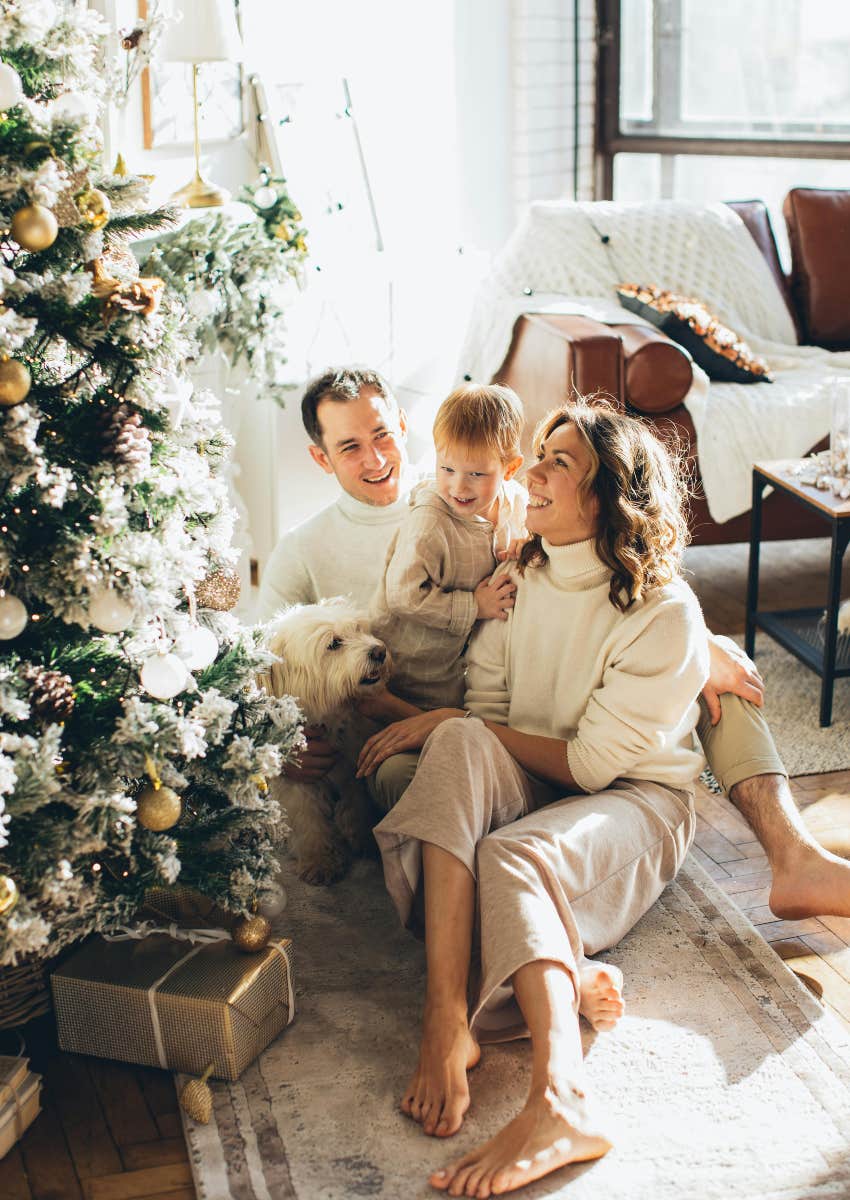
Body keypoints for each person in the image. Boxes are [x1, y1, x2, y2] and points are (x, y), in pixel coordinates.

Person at [258, 365, 850, 920]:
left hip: (501, 697)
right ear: (319, 456)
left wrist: (693, 636)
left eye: (382, 434)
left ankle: (793, 855)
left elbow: (600, 550)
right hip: (425, 716)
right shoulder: (302, 550)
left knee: (721, 664)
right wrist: (278, 746)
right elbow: (260, 673)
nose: (375, 456)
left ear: (407, 430)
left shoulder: (466, 480)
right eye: (349, 447)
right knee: (406, 778)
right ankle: (525, 868)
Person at [358, 401, 708, 1193]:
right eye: (538, 454)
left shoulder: (663, 613)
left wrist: (457, 724)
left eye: (559, 462)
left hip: (637, 798)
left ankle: (563, 1097)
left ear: (608, 496)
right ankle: (449, 1015)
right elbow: (488, 712)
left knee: (508, 852)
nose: (530, 472)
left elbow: (590, 765)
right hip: (544, 776)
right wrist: (452, 725)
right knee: (456, 742)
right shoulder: (522, 576)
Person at [370, 383, 526, 710]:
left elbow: (534, 535)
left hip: (467, 665)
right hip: (414, 667)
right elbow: (402, 594)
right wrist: (474, 606)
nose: (459, 486)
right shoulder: (430, 520)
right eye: (447, 468)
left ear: (509, 469)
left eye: (477, 474)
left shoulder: (517, 503)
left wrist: (527, 543)